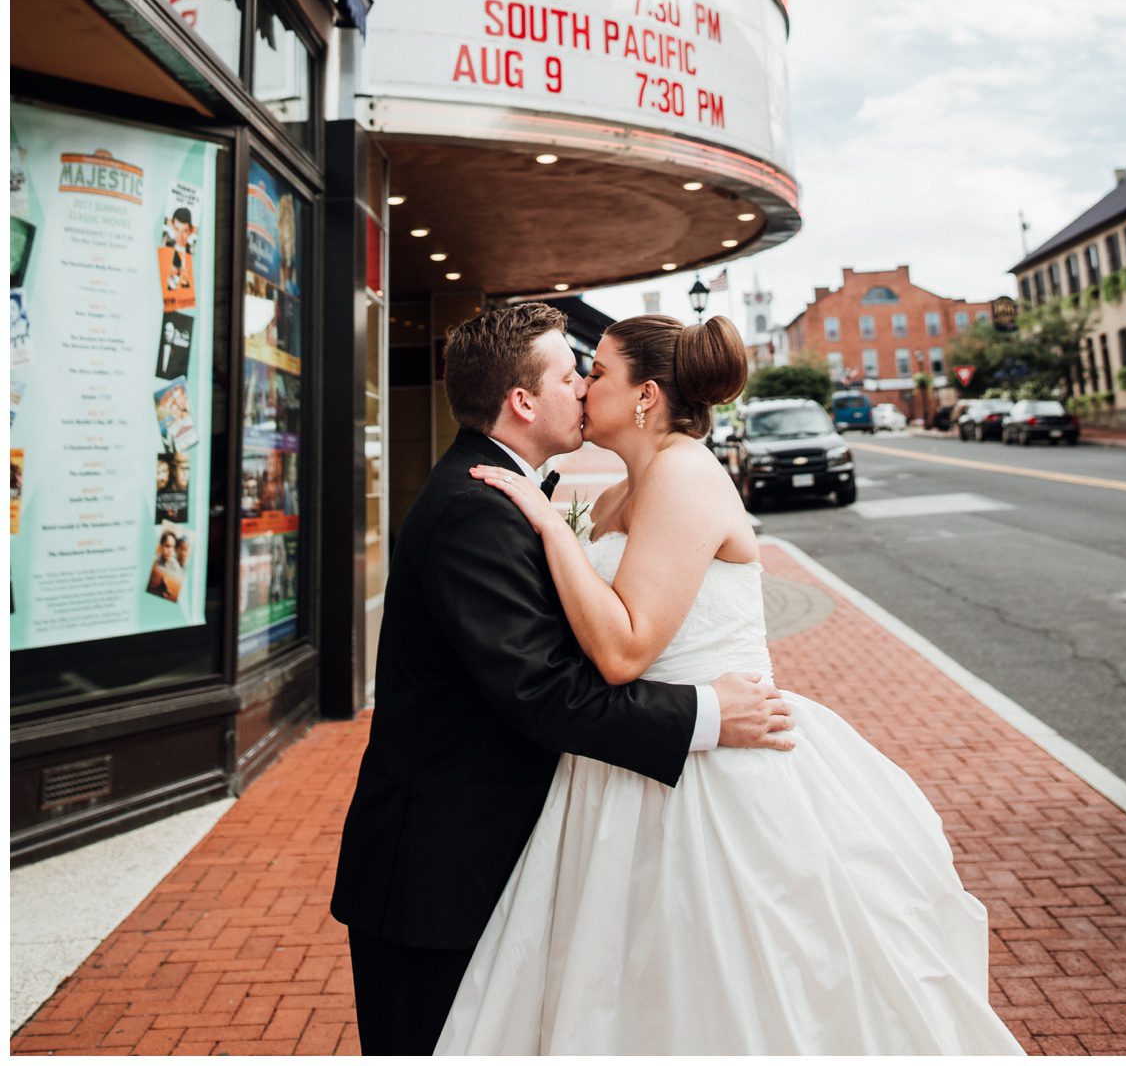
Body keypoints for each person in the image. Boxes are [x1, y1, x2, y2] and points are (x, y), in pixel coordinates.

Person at [438, 312, 1024, 1056]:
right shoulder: (623, 490)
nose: (585, 387)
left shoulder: (684, 473)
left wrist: (552, 530)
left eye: (599, 373)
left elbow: (622, 650)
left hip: (710, 768)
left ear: (645, 396)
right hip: (629, 759)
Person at [330, 302, 793, 1056]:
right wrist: (707, 715)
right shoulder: (476, 510)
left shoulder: (514, 494)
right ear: (522, 400)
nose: (581, 386)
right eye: (570, 372)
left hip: (531, 838)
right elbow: (547, 690)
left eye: (592, 371)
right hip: (437, 872)